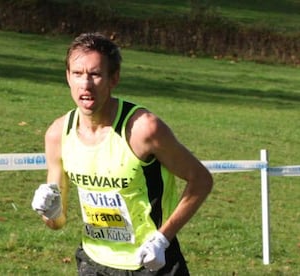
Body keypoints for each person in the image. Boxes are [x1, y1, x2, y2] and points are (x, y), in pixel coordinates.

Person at [32, 32, 213, 275]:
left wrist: (162, 239)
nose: (85, 84)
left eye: (95, 74)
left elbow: (201, 180)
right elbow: (58, 222)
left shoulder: (143, 129)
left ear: (113, 79)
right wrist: (49, 212)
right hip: (93, 263)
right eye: (77, 74)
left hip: (151, 263)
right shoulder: (58, 134)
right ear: (67, 77)